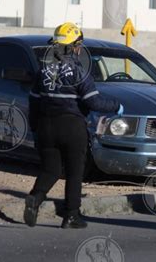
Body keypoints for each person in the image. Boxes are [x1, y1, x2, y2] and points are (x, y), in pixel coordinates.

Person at [24, 22, 123, 229]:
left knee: (50, 169)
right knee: (74, 172)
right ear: (74, 47)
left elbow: (33, 101)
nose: (80, 48)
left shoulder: (43, 71)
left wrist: (34, 127)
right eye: (79, 44)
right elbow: (93, 102)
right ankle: (71, 215)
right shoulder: (80, 71)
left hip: (45, 126)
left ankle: (35, 198)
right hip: (72, 126)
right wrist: (116, 106)